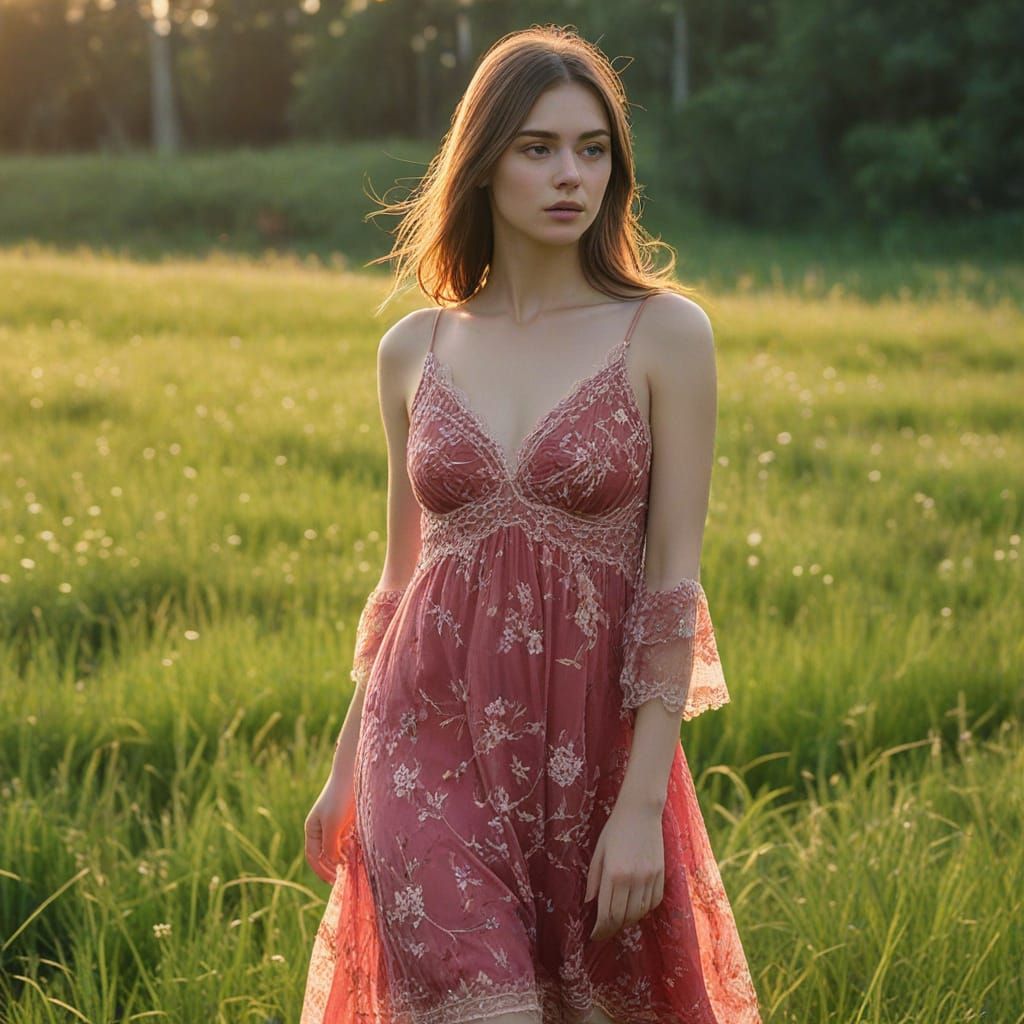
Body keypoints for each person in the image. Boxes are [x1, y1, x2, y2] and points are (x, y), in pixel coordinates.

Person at [299, 23, 762, 1024]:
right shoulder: (410, 348)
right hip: (419, 747)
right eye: (538, 147)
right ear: (482, 162)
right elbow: (400, 579)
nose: (570, 175)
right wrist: (344, 771)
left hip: (591, 758)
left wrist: (641, 805)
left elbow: (672, 584)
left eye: (593, 149)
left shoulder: (664, 334)